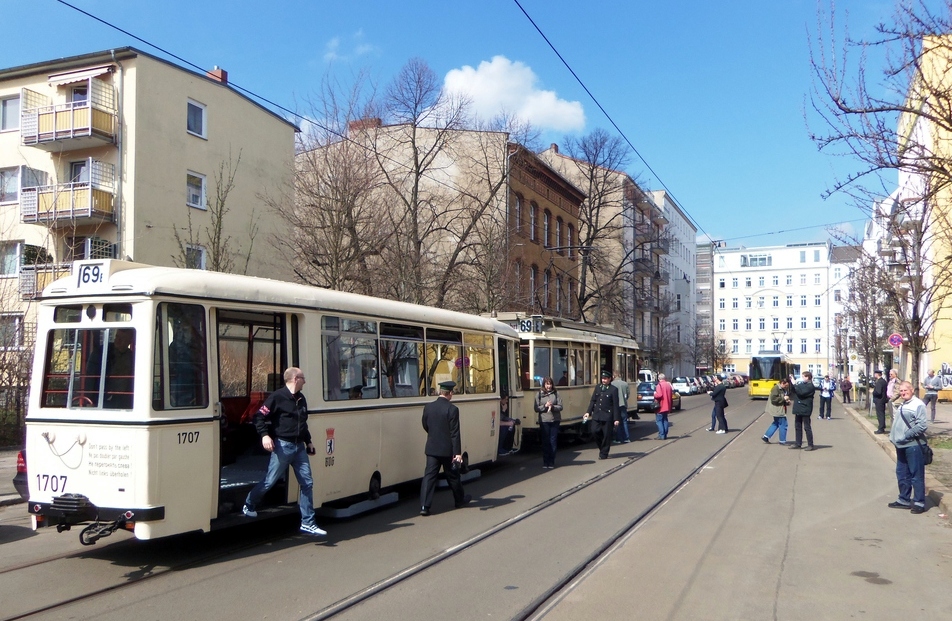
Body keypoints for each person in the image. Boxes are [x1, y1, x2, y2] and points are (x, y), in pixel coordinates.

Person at [243, 367, 326, 536]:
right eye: (303, 377)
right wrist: (265, 436)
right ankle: (249, 503)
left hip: (299, 447)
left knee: (307, 483)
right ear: (295, 379)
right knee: (270, 481)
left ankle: (308, 522)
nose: (305, 381)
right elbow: (258, 417)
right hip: (283, 446)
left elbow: (302, 424)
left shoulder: (301, 398)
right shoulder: (277, 397)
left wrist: (308, 442)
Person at [419, 380, 471, 516]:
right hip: (447, 450)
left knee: (429, 477)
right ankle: (459, 500)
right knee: (453, 476)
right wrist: (457, 453)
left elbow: (425, 425)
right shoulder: (452, 409)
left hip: (432, 448)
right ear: (451, 393)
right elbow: (455, 432)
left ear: (440, 392)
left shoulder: (428, 407)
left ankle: (425, 506)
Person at [888, 381, 929, 514]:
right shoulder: (903, 404)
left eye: (905, 390)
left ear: (912, 390)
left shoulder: (918, 404)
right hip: (901, 445)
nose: (903, 392)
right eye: (901, 391)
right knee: (902, 473)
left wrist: (905, 436)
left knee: (916, 475)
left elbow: (922, 425)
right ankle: (904, 499)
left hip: (913, 446)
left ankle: (919, 502)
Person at [584, 370, 620, 459]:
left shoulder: (613, 389)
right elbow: (593, 400)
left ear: (609, 379)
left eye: (605, 379)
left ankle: (604, 453)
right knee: (594, 431)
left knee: (607, 435)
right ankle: (602, 448)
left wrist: (616, 419)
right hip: (597, 415)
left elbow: (615, 404)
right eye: (602, 378)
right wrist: (588, 412)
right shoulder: (598, 387)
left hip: (607, 416)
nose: (603, 380)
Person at [534, 377, 563, 468]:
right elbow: (536, 408)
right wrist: (545, 406)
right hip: (544, 420)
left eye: (550, 384)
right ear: (544, 385)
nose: (548, 386)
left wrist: (553, 407)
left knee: (553, 441)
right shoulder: (539, 394)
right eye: (547, 384)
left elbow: (561, 406)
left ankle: (551, 461)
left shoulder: (556, 393)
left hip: (555, 420)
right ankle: (545, 461)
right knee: (545, 441)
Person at [790, 371, 816, 451]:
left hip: (805, 409)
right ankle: (798, 443)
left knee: (807, 427)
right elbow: (795, 390)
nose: (802, 378)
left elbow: (801, 393)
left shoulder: (810, 386)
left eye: (803, 376)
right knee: (797, 426)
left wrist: (795, 384)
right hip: (799, 408)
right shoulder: (802, 384)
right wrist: (792, 383)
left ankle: (810, 445)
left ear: (807, 377)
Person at [762, 377, 791, 444]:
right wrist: (783, 398)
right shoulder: (776, 388)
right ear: (782, 383)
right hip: (778, 409)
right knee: (783, 424)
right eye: (786, 385)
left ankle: (766, 436)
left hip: (778, 409)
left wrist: (786, 401)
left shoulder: (781, 389)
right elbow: (774, 399)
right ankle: (782, 440)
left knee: (776, 423)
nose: (786, 387)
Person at [653, 373, 675, 440]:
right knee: (665, 420)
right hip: (667, 405)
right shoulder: (668, 385)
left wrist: (654, 394)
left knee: (659, 421)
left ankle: (661, 435)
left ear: (659, 379)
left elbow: (659, 395)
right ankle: (665, 434)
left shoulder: (659, 385)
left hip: (661, 406)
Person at [611, 370, 631, 444]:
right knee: (624, 421)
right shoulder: (625, 383)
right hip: (623, 404)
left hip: (615, 405)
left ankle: (618, 438)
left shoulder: (612, 384)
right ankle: (626, 438)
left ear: (614, 376)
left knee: (616, 422)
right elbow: (628, 394)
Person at [872, 370, 888, 434]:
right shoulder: (884, 381)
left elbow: (878, 392)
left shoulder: (879, 382)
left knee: (880, 414)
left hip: (879, 400)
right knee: (882, 414)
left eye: (875, 374)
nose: (874, 375)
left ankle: (881, 428)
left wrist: (873, 392)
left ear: (877, 374)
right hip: (883, 400)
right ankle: (882, 426)